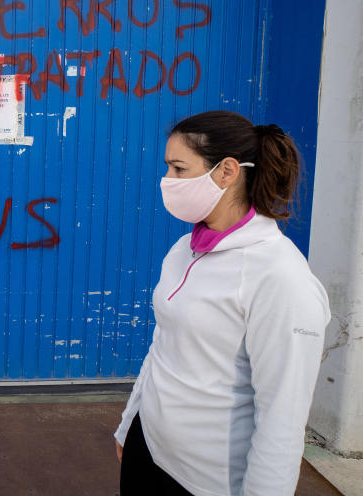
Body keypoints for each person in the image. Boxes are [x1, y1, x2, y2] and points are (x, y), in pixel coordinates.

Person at [113, 111, 331, 495]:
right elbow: (163, 345)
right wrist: (129, 423)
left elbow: (282, 418)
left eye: (179, 169)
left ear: (227, 172)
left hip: (205, 481)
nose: (168, 181)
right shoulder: (185, 249)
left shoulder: (280, 277)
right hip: (148, 452)